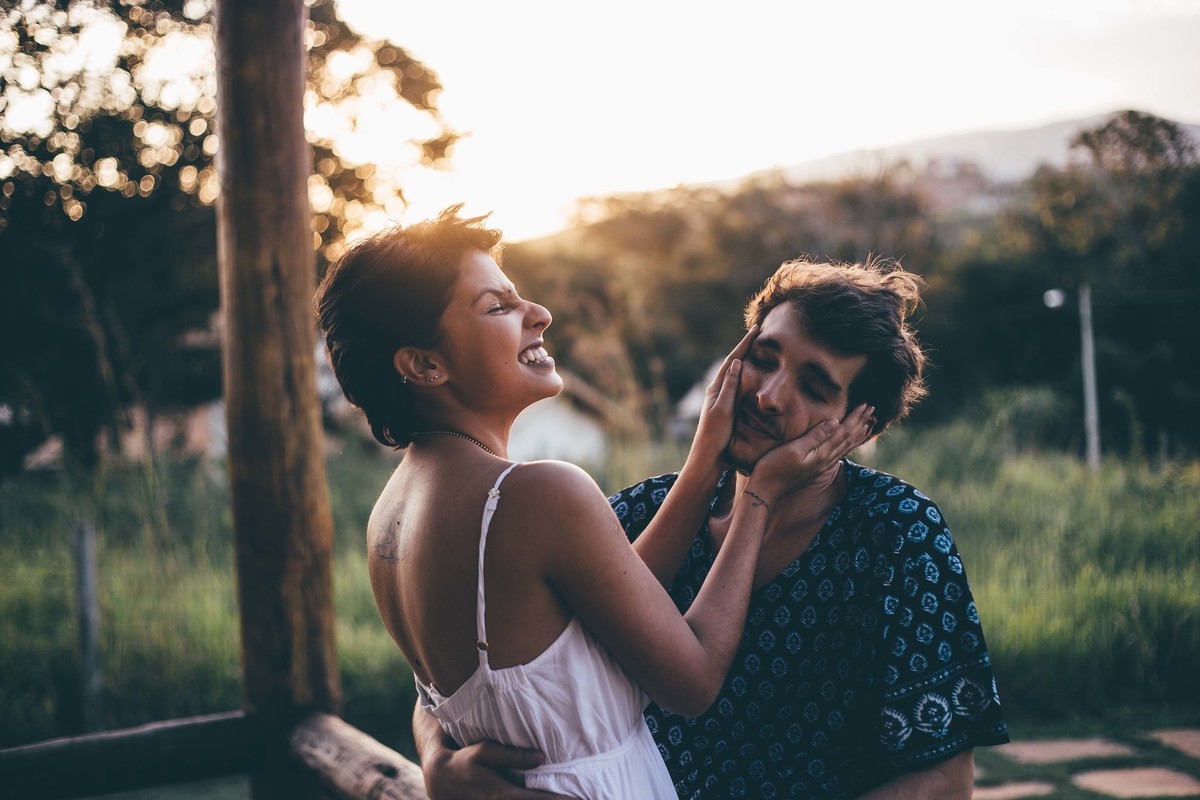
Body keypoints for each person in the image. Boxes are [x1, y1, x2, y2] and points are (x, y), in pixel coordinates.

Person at [314, 207, 873, 799]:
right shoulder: (536, 493)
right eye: (498, 307)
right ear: (426, 365)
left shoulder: (392, 514)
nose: (539, 313)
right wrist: (759, 496)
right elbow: (693, 683)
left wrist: (705, 458)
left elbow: (589, 629)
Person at [419, 257, 1010, 799]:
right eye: (764, 359)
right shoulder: (638, 513)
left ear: (861, 425)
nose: (769, 397)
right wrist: (436, 760)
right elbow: (473, 666)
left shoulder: (895, 531)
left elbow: (943, 779)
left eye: (814, 387)